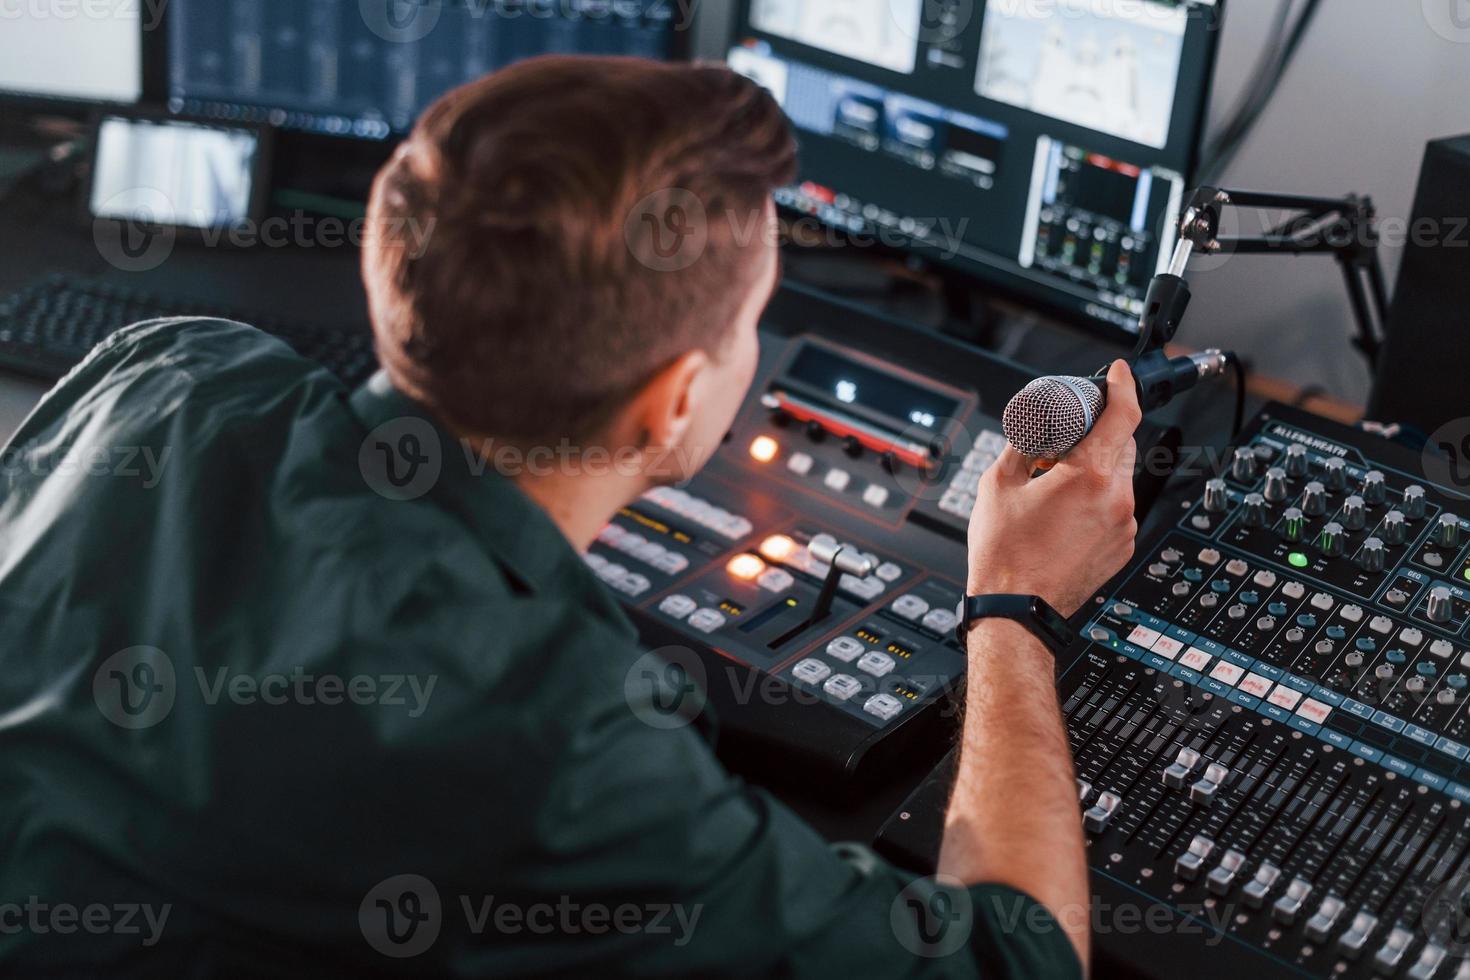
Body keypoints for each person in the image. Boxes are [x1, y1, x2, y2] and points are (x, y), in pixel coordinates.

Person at [0, 56, 1139, 977]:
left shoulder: (170, 367)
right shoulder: (563, 752)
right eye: (754, 320)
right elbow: (1021, 961)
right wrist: (1013, 610)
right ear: (679, 397)